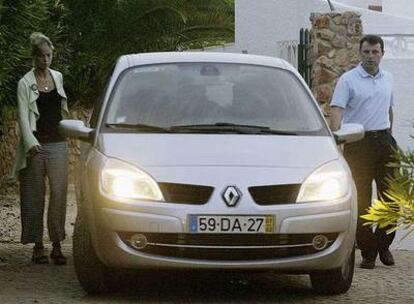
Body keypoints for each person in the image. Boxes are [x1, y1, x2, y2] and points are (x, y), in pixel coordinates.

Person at [330, 35, 398, 269]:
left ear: (382, 53)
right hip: (358, 144)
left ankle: (384, 245)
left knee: (392, 199)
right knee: (361, 201)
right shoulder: (347, 80)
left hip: (385, 142)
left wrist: (390, 135)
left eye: (375, 52)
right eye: (367, 52)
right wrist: (337, 141)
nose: (371, 56)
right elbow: (337, 111)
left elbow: (389, 110)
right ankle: (368, 252)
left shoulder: (388, 78)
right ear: (360, 53)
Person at [11, 32, 70, 265]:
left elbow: (63, 109)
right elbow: (23, 117)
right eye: (41, 56)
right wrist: (30, 143)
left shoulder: (58, 77)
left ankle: (57, 244)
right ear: (33, 58)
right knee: (34, 196)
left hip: (58, 144)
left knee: (59, 194)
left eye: (48, 55)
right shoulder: (25, 83)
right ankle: (37, 245)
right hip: (35, 145)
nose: (45, 60)